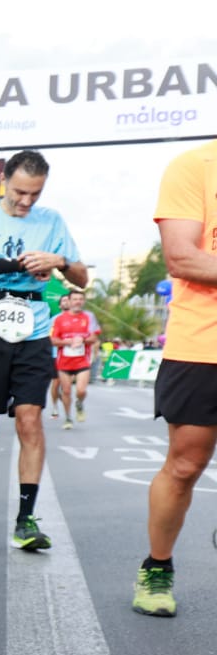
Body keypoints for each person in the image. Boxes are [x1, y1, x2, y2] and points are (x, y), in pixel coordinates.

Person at [0, 150, 88, 550]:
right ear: (4, 179)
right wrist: (23, 265)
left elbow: (82, 278)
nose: (26, 201)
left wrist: (59, 260)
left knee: (30, 421)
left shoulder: (53, 221)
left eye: (35, 194)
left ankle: (26, 519)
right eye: (20, 192)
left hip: (33, 327)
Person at [132, 138, 217, 617]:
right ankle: (157, 566)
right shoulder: (194, 166)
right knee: (185, 466)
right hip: (203, 345)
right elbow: (182, 258)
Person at [50, 291, 100, 429]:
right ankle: (68, 418)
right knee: (66, 391)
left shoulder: (89, 317)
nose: (77, 302)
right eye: (75, 299)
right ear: (69, 302)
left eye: (80, 299)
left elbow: (94, 338)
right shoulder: (59, 319)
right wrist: (67, 342)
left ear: (83, 301)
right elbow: (53, 340)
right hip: (64, 362)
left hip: (82, 361)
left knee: (81, 390)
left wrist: (82, 340)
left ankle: (79, 403)